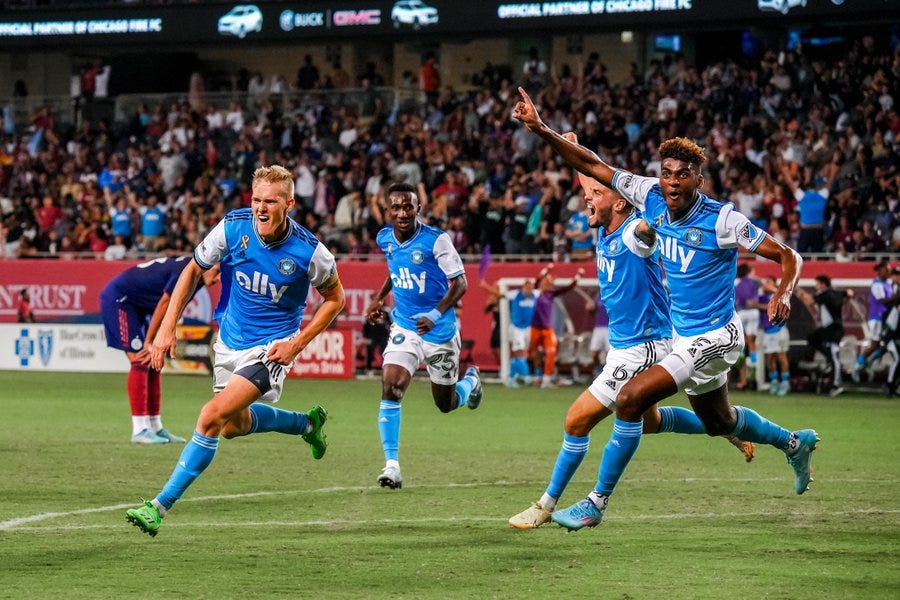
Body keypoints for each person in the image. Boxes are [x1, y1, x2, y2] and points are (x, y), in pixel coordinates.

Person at [513, 88, 817, 532]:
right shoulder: (649, 194)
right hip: (683, 337)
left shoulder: (723, 220)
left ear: (699, 179)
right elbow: (591, 165)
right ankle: (794, 443)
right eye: (668, 173)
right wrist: (541, 128)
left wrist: (784, 292)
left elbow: (790, 255)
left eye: (683, 175)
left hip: (716, 336)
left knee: (630, 399)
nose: (673, 182)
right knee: (719, 422)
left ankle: (596, 502)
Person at [509, 165, 754, 529]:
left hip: (644, 347)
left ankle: (545, 505)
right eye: (587, 195)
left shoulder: (633, 231)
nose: (586, 200)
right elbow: (593, 178)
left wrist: (661, 209)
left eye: (595, 196)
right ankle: (722, 427)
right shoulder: (605, 224)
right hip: (627, 344)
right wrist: (569, 150)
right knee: (651, 422)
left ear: (622, 203)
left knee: (576, 420)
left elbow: (650, 224)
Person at [125, 165, 345, 537]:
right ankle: (308, 424)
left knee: (210, 417)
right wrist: (166, 328)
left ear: (289, 203)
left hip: (271, 349)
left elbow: (334, 300)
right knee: (232, 427)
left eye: (271, 201)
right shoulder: (232, 227)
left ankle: (158, 506)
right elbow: (193, 271)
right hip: (229, 341)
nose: (261, 207)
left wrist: (296, 344)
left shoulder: (311, 252)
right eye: (256, 199)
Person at [364, 182, 483, 490]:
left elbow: (460, 283)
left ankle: (470, 383)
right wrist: (379, 297)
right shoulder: (385, 238)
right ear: (388, 210)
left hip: (439, 331)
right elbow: (394, 269)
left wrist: (435, 313)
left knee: (445, 403)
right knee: (391, 384)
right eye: (397, 207)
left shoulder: (436, 241)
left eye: (408, 207)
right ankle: (392, 466)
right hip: (405, 326)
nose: (403, 213)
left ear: (418, 208)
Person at [100, 256, 221, 444]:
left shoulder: (197, 276)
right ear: (210, 264)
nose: (217, 279)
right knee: (141, 360)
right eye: (217, 272)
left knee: (154, 362)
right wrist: (150, 340)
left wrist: (162, 337)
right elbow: (165, 303)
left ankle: (155, 427)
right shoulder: (187, 270)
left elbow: (175, 308)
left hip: (138, 305)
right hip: (119, 299)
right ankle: (140, 430)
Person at [796, 275, 854, 397]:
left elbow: (810, 301)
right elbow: (848, 293)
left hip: (833, 330)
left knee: (834, 356)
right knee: (813, 338)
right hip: (828, 329)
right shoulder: (834, 293)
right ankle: (829, 358)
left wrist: (797, 290)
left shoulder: (825, 294)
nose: (815, 286)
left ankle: (836, 384)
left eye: (817, 283)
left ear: (823, 284)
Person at [530, 263, 583, 388]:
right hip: (534, 328)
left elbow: (569, 287)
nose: (547, 283)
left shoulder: (550, 294)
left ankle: (547, 380)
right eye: (545, 281)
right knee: (532, 353)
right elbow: (537, 279)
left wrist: (579, 275)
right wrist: (547, 269)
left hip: (547, 329)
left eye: (549, 281)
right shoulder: (536, 293)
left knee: (551, 352)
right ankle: (537, 376)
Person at [481, 278, 539, 387]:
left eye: (531, 288)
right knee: (519, 352)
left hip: (527, 328)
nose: (529, 290)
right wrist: (485, 287)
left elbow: (544, 290)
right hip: (517, 328)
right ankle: (525, 376)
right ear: (524, 287)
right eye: (527, 288)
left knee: (522, 353)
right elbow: (500, 295)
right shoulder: (515, 295)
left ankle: (512, 377)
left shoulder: (535, 294)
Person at [853, 260, 892, 383]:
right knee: (875, 343)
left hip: (885, 318)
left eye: (885, 269)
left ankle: (868, 362)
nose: (884, 271)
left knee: (887, 344)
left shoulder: (888, 283)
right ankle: (858, 365)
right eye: (881, 269)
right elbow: (883, 301)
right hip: (877, 318)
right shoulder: (877, 284)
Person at [758, 276, 792, 396]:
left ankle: (785, 382)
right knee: (769, 358)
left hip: (780, 330)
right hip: (767, 331)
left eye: (768, 281)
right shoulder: (761, 297)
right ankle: (774, 381)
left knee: (781, 356)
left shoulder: (780, 295)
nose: (765, 284)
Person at [734, 263, 761, 390]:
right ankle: (754, 362)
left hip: (741, 312)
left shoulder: (735, 282)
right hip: (754, 312)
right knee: (752, 341)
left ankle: (742, 355)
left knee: (743, 339)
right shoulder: (754, 282)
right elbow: (765, 286)